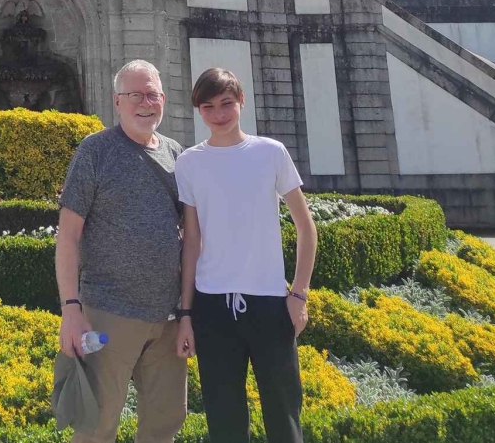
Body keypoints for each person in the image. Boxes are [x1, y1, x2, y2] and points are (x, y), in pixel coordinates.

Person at [175, 68, 317, 443]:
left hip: (269, 303)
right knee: (224, 423)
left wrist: (298, 295)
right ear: (198, 110)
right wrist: (186, 313)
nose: (218, 114)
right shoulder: (189, 162)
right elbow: (192, 241)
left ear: (241, 101)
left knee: (284, 418)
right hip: (211, 307)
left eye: (226, 103)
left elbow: (306, 227)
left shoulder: (270, 153)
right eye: (208, 107)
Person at [56, 60, 186, 443]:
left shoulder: (177, 154)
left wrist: (187, 312)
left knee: (165, 424)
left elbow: (191, 234)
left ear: (163, 100)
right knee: (96, 426)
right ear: (117, 101)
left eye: (152, 95)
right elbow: (68, 236)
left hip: (168, 318)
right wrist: (71, 309)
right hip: (108, 315)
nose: (145, 103)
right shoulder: (95, 151)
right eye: (135, 95)